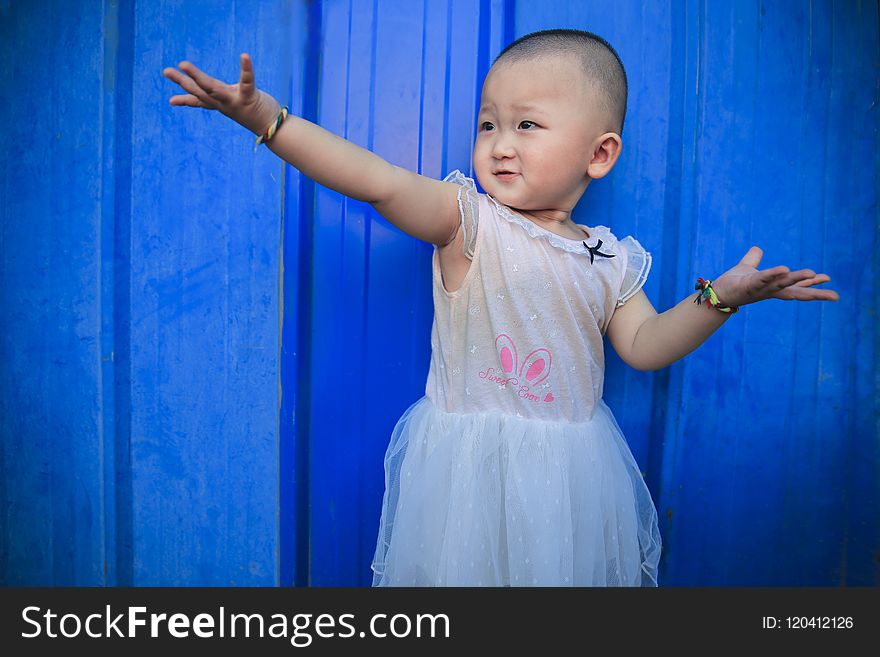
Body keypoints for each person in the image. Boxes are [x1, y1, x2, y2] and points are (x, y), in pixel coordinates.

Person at [163, 28, 839, 587]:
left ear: (600, 154)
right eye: (488, 123)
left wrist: (719, 299)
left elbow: (647, 345)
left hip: (571, 485)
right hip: (466, 476)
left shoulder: (609, 258)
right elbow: (375, 181)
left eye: (526, 124)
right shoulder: (469, 222)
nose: (499, 141)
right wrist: (269, 121)